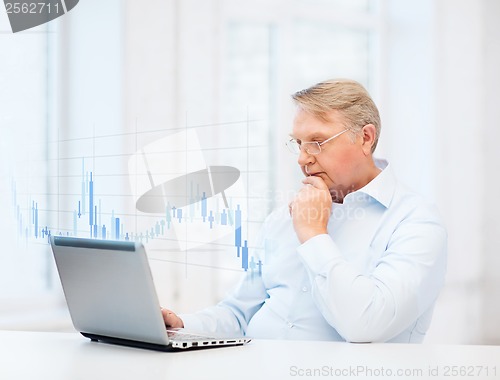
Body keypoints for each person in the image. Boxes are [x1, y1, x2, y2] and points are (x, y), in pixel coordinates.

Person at [162, 79, 447, 343]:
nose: (302, 158)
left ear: (365, 138)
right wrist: (180, 324)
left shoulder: (415, 223)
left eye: (317, 142)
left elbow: (366, 325)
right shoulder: (284, 217)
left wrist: (313, 234)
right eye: (298, 143)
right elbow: (239, 314)